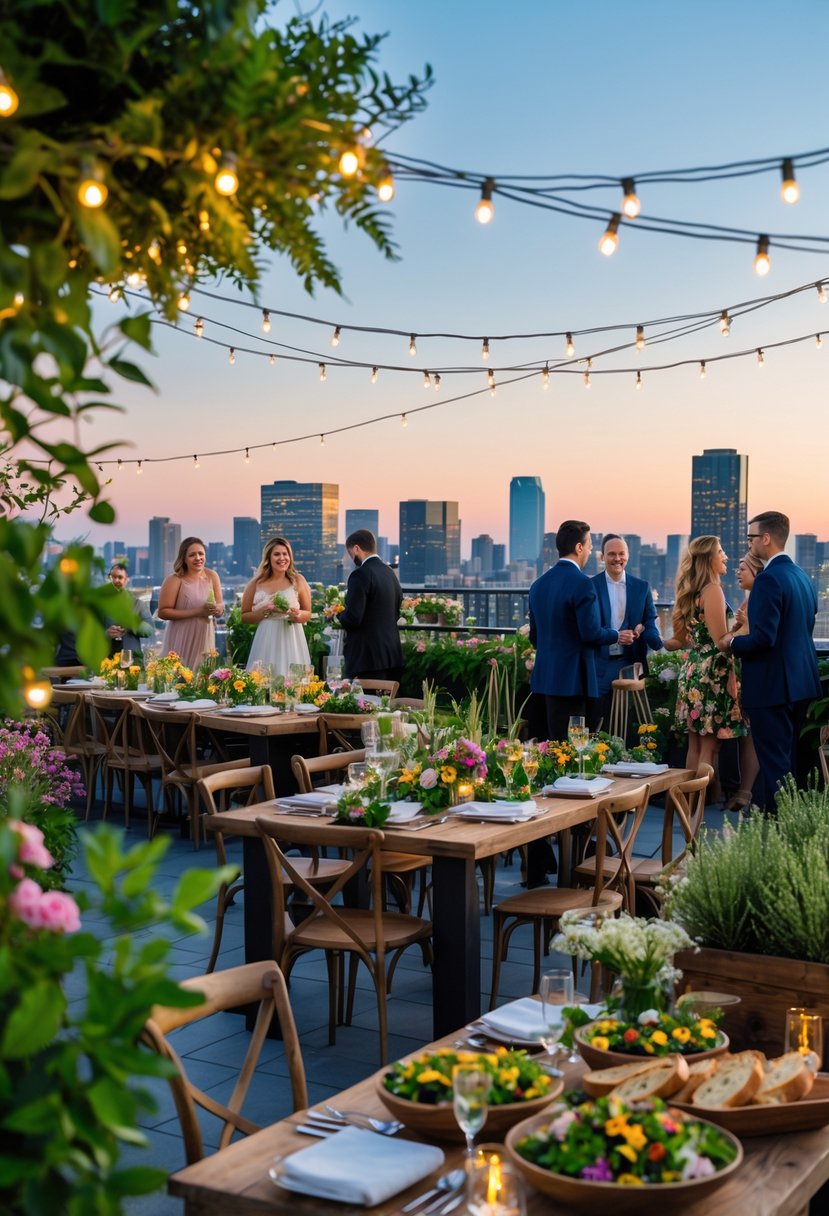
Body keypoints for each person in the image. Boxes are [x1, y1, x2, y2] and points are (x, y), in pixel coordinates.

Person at [722, 511, 822, 811]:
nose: (749, 543)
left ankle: (778, 829)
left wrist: (732, 643)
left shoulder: (767, 580)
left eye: (751, 538)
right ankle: (790, 825)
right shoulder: (802, 577)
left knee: (775, 765)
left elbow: (765, 638)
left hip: (772, 688)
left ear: (766, 539)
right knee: (791, 763)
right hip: (802, 685)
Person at [528, 520, 632, 741]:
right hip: (574, 680)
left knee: (553, 746)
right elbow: (591, 633)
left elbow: (534, 638)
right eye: (590, 546)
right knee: (574, 749)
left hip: (546, 678)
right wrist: (617, 635)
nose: (591, 551)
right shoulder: (583, 584)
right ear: (578, 547)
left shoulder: (538, 585)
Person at [667, 535, 748, 776]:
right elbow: (721, 643)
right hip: (712, 676)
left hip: (694, 671)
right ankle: (698, 806)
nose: (725, 556)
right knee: (710, 748)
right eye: (721, 551)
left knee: (696, 745)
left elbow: (679, 641)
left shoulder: (691, 593)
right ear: (708, 559)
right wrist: (743, 629)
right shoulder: (713, 590)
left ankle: (689, 803)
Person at [589, 533, 663, 731]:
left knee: (627, 722)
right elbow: (589, 625)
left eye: (621, 553)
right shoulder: (590, 586)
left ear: (628, 556)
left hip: (629, 662)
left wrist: (655, 640)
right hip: (599, 663)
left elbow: (649, 619)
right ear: (602, 557)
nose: (617, 558)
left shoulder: (641, 587)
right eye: (611, 554)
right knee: (596, 718)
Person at [722, 551, 763, 812]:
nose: (737, 573)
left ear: (756, 573)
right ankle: (742, 790)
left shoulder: (757, 600)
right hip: (742, 674)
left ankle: (746, 791)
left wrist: (735, 634)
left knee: (750, 736)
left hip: (751, 676)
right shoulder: (749, 599)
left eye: (743, 569)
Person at [337, 529, 403, 683]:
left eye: (350, 553)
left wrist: (338, 616)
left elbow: (354, 618)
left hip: (367, 656)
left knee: (366, 703)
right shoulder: (390, 573)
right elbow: (396, 612)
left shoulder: (360, 574)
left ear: (356, 549)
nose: (351, 558)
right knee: (385, 705)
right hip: (391, 653)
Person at [241, 536, 312, 677]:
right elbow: (244, 616)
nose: (282, 558)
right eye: (277, 554)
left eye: (285, 554)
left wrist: (297, 615)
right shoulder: (256, 583)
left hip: (292, 638)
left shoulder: (298, 580)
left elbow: (308, 613)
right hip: (266, 638)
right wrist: (263, 612)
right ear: (268, 558)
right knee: (263, 679)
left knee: (293, 682)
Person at [157, 537, 223, 672]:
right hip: (181, 636)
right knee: (178, 679)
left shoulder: (212, 576)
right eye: (192, 555)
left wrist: (218, 609)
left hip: (204, 637)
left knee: (202, 680)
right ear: (184, 558)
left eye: (201, 554)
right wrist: (198, 611)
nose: (198, 558)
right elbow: (163, 612)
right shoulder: (174, 580)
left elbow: (220, 605)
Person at [104, 563, 154, 658]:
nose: (116, 580)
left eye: (120, 577)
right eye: (112, 577)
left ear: (126, 579)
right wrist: (106, 634)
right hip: (106, 661)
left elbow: (150, 630)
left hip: (133, 661)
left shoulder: (138, 604)